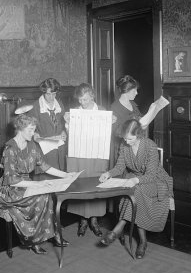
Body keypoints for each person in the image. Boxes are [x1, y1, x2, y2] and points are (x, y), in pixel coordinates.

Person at [0, 114, 76, 255]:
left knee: (47, 195)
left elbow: (45, 166)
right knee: (41, 198)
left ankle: (51, 235)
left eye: (34, 130)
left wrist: (66, 175)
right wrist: (38, 184)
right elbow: (11, 180)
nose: (33, 133)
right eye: (30, 130)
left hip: (26, 184)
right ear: (20, 129)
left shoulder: (32, 145)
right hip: (8, 189)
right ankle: (35, 240)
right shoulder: (10, 149)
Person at [98, 119, 173, 259]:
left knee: (136, 191)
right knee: (137, 193)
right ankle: (143, 242)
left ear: (139, 135)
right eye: (125, 138)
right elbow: (120, 167)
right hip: (136, 180)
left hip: (155, 181)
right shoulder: (124, 145)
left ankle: (117, 229)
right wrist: (108, 174)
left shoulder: (150, 146)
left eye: (130, 138)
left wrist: (135, 180)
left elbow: (151, 175)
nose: (127, 141)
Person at [64, 83, 116, 237]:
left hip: (96, 154)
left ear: (92, 96)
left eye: (85, 99)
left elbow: (108, 134)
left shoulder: (102, 111)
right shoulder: (74, 112)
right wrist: (67, 123)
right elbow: (69, 134)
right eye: (80, 100)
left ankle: (94, 220)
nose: (82, 103)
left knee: (95, 184)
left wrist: (112, 122)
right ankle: (82, 220)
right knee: (80, 183)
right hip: (79, 154)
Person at [27, 77, 67, 171]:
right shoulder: (35, 107)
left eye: (54, 94)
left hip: (60, 151)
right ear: (43, 92)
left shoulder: (59, 105)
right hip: (44, 152)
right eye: (48, 94)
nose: (51, 97)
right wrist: (36, 136)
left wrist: (64, 132)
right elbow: (30, 132)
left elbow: (63, 125)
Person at [109, 75, 144, 169]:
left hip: (135, 145)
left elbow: (140, 119)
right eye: (134, 91)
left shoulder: (133, 104)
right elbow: (116, 132)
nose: (136, 93)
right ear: (126, 91)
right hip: (123, 148)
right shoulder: (115, 107)